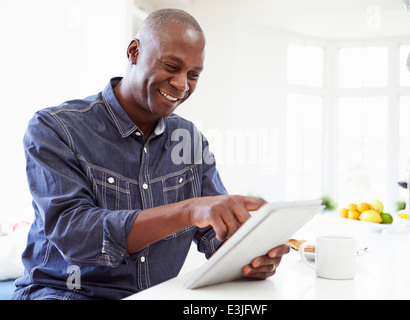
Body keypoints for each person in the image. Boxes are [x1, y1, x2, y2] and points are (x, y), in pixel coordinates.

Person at [12, 8, 289, 300]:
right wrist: (188, 211)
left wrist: (252, 258)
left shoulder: (190, 140)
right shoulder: (55, 128)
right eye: (171, 66)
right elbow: (78, 236)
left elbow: (216, 236)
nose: (182, 85)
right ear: (133, 51)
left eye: (193, 74)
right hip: (63, 294)